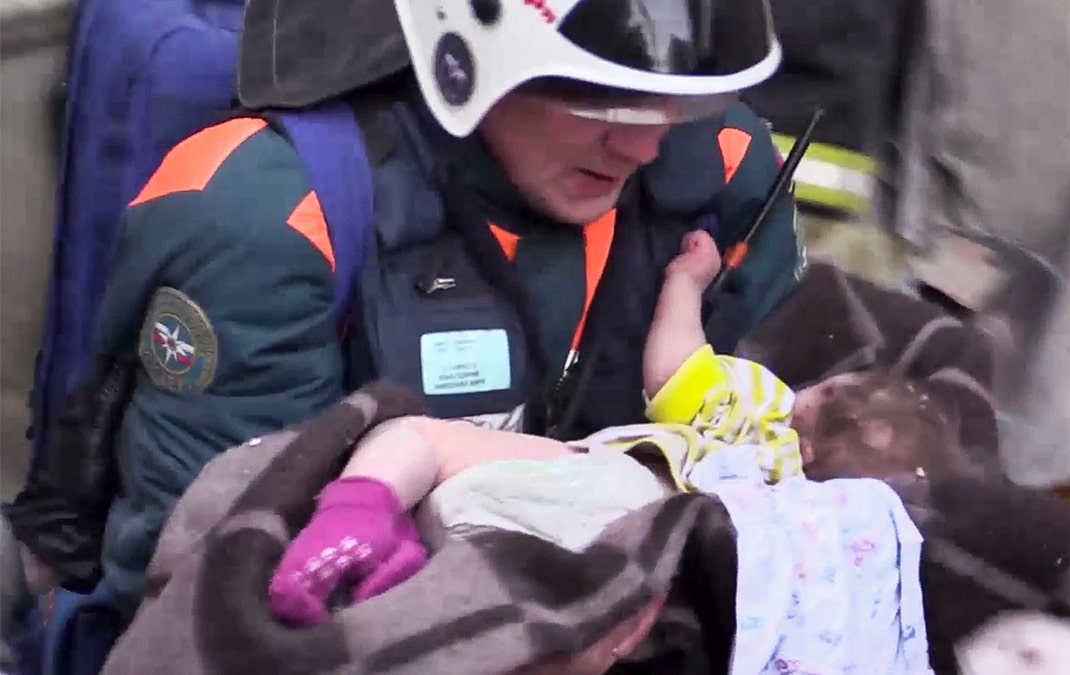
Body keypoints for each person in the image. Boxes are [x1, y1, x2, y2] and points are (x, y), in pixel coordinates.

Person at [3, 0, 803, 623]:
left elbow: (804, 491)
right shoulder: (279, 217)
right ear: (464, 56)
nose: (645, 146)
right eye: (601, 97)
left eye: (672, 98)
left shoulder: (721, 173)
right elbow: (203, 592)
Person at [269, 229, 933, 674]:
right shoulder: (826, 548)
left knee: (421, 436)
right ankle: (402, 572)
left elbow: (674, 370)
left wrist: (686, 282)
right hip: (621, 559)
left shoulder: (762, 415)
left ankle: (358, 512)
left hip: (626, 495)